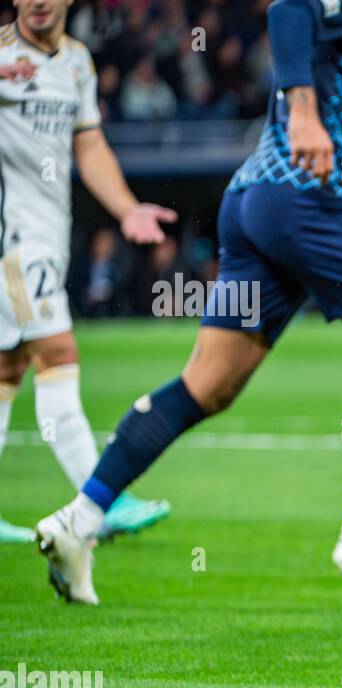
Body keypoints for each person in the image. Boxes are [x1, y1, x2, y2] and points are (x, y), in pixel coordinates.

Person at [35, 0, 342, 604]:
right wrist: (301, 112)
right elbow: (290, 6)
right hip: (303, 201)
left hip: (256, 207)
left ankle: (78, 521)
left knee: (207, 386)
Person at [0, 0, 171, 545]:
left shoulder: (76, 62)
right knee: (58, 353)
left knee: (7, 370)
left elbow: (89, 144)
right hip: (13, 238)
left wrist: (127, 209)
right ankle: (103, 498)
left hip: (49, 233)